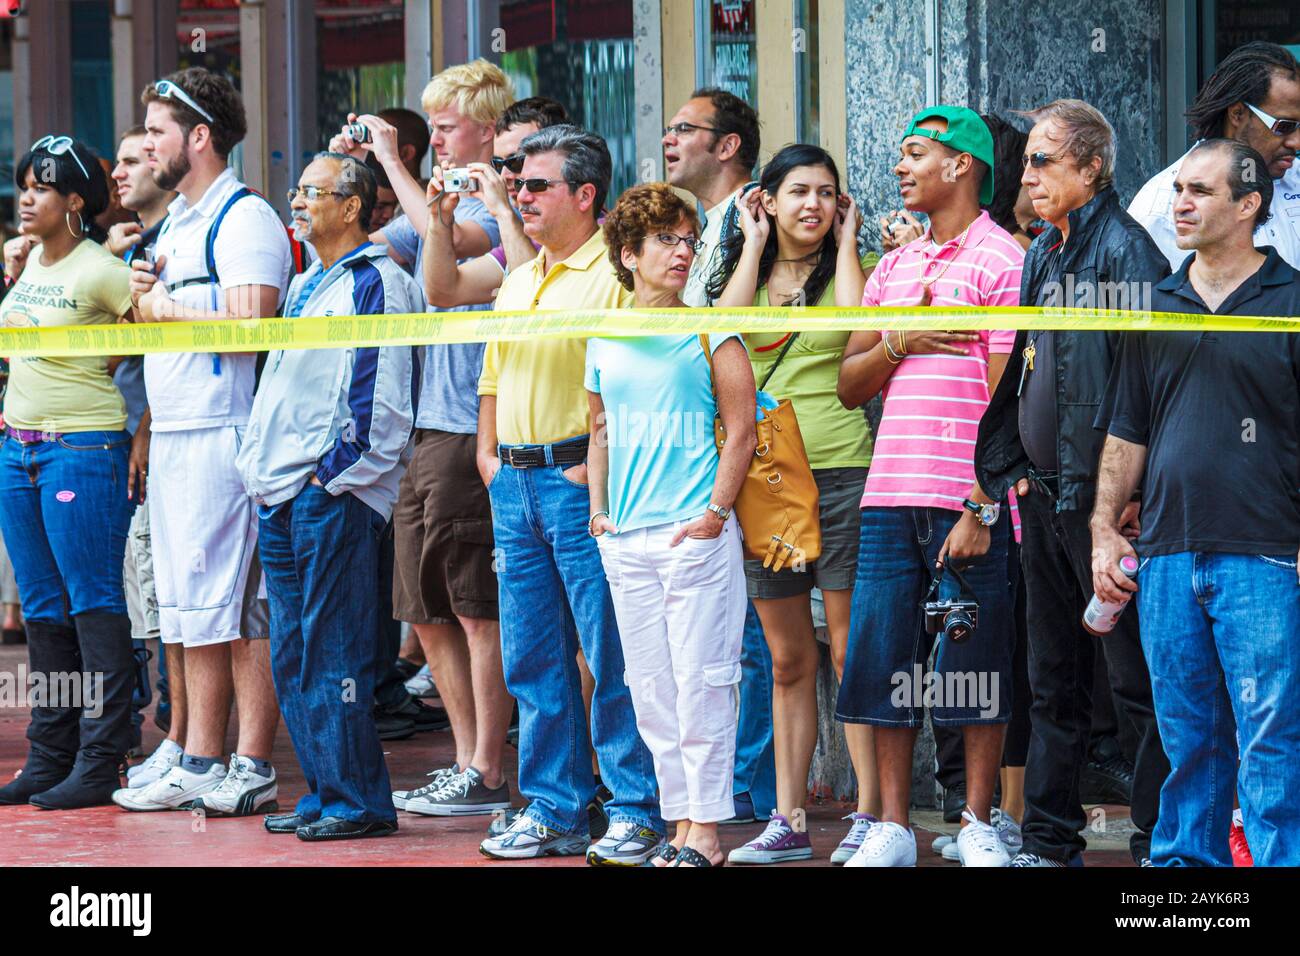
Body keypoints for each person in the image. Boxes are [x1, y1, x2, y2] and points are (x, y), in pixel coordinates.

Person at [1091, 140, 1300, 867]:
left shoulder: (1293, 301)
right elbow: (1127, 430)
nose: (1180, 202)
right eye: (1179, 188)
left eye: (1200, 191)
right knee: (1186, 738)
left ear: (1249, 206)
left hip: (1268, 555)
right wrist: (1101, 531)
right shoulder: (1159, 303)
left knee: (1271, 738)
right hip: (1169, 556)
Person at [974, 99, 1171, 867]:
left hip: (1106, 508)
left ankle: (1162, 842)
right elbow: (1030, 362)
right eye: (1027, 162)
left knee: (1134, 687)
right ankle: (1051, 841)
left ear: (1093, 168)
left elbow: (1147, 381)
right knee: (1051, 678)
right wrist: (1014, 469)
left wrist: (1123, 500)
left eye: (1046, 161)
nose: (1030, 176)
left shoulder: (1126, 251)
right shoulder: (1043, 253)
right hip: (1047, 495)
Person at [833, 106, 1022, 868]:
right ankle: (893, 828)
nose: (901, 168)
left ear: (963, 166)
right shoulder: (892, 268)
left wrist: (984, 502)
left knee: (972, 664)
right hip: (888, 492)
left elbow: (1008, 396)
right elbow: (850, 383)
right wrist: (900, 339)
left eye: (917, 154)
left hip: (967, 497)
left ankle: (977, 822)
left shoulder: (1005, 260)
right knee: (886, 659)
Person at [475, 125, 663, 863]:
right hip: (515, 482)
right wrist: (488, 457)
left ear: (586, 195)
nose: (518, 195)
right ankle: (554, 805)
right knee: (532, 656)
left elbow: (628, 387)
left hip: (578, 477)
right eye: (517, 185)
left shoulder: (616, 278)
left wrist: (596, 470)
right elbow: (492, 375)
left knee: (609, 649)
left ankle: (635, 808)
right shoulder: (520, 279)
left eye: (535, 185)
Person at [114, 67, 291, 815]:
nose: (147, 146)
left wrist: (164, 305)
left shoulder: (244, 216)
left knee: (231, 604)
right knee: (186, 606)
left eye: (157, 131)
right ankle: (191, 750)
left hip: (227, 427)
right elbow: (164, 319)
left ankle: (229, 759)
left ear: (199, 137)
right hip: (180, 425)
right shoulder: (180, 220)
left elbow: (254, 318)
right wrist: (142, 307)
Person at [238, 152, 420, 841]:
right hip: (284, 491)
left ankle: (358, 801)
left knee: (335, 649)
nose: (300, 202)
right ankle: (324, 790)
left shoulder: (379, 280)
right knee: (294, 648)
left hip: (329, 493)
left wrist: (334, 474)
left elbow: (382, 394)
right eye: (298, 190)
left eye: (313, 192)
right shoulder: (310, 280)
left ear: (352, 206)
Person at [706, 143, 879, 864]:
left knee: (849, 645)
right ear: (765, 199)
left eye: (827, 193)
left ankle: (871, 813)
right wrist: (750, 244)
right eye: (798, 191)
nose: (813, 204)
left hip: (840, 469)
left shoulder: (846, 270)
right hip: (766, 480)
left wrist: (848, 245)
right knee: (785, 659)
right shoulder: (737, 268)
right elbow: (722, 329)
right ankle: (790, 818)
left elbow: (856, 327)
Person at [587, 182, 756, 866]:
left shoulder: (712, 326)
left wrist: (714, 514)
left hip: (693, 533)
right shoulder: (600, 333)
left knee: (705, 680)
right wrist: (600, 515)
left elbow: (742, 431)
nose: (683, 252)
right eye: (666, 240)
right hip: (626, 540)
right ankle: (681, 822)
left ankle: (707, 832)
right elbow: (598, 427)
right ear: (629, 254)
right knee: (652, 689)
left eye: (690, 240)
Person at [379, 61, 517, 819]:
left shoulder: (503, 196)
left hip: (474, 426)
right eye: (428, 125)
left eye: (445, 124)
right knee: (424, 604)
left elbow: (454, 245)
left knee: (474, 606)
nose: (434, 137)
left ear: (487, 131)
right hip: (427, 425)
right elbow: (390, 241)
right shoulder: (435, 192)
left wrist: (397, 163)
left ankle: (488, 767)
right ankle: (466, 759)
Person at [0, 136, 136, 809]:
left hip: (80, 448)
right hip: (17, 451)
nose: (27, 197)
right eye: (24, 184)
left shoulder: (100, 269)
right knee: (44, 611)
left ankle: (101, 755)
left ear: (75, 201)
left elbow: (153, 333)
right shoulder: (26, 263)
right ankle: (51, 753)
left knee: (92, 603)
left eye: (42, 188)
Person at [663, 86, 775, 825]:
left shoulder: (754, 217)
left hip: (755, 445)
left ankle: (751, 790)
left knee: (753, 629)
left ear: (727, 144)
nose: (669, 138)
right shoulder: (695, 227)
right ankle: (716, 784)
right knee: (712, 630)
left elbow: (725, 326)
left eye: (684, 128)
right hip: (690, 450)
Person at [103, 125, 183, 785]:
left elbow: (178, 351)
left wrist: (148, 428)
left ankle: (182, 739)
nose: (123, 172)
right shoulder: (118, 250)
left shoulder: (177, 238)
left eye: (137, 158)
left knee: (172, 601)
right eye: (120, 162)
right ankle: (140, 734)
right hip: (109, 444)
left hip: (164, 440)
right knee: (134, 595)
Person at [1130, 42, 1300, 272]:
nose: (1296, 142)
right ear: (1238, 113)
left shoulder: (1295, 177)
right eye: (1284, 126)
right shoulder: (1161, 210)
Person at [420, 97, 567, 309]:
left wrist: (503, 213)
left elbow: (534, 304)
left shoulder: (594, 230)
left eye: (516, 161)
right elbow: (444, 292)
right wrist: (438, 217)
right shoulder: (527, 233)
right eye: (498, 163)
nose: (505, 175)